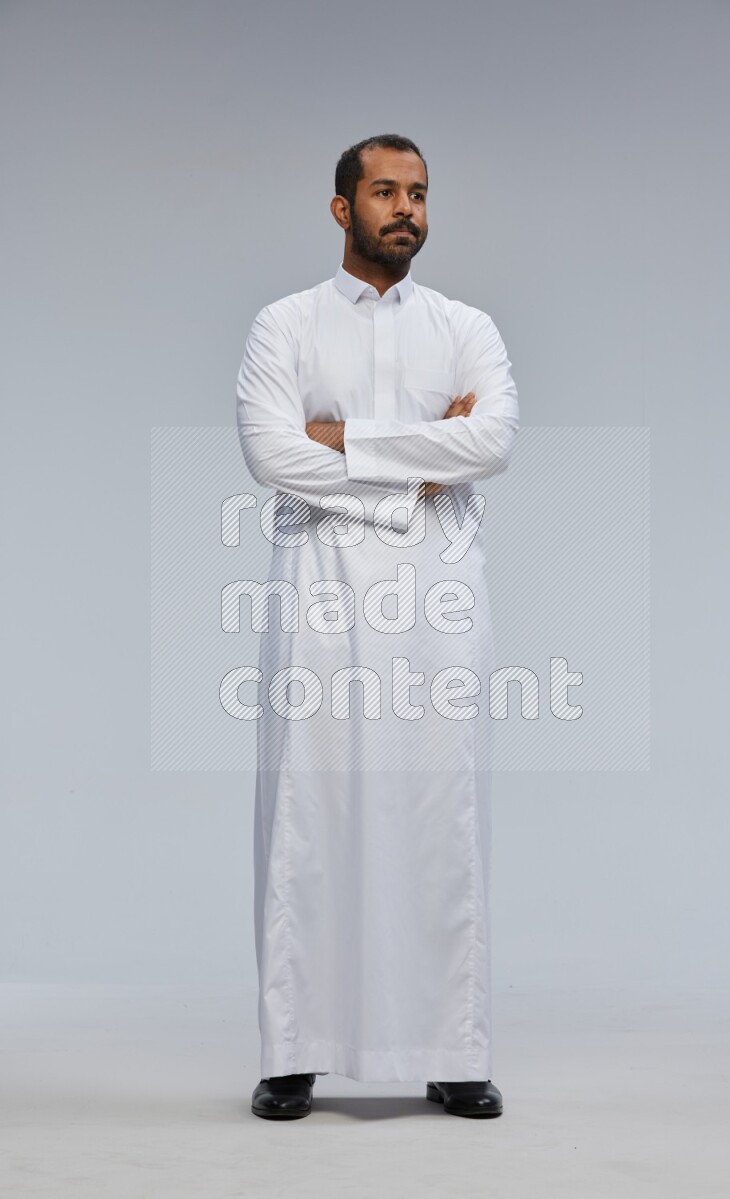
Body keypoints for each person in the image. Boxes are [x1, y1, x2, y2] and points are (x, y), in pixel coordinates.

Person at [236, 133, 519, 1120]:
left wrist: (343, 438)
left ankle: (453, 1049)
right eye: (385, 191)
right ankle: (292, 1051)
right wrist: (413, 472)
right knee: (309, 814)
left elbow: (490, 439)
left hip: (440, 601)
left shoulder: (465, 326)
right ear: (339, 207)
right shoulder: (285, 326)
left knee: (441, 810)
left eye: (420, 193)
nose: (406, 208)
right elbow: (273, 456)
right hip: (318, 594)